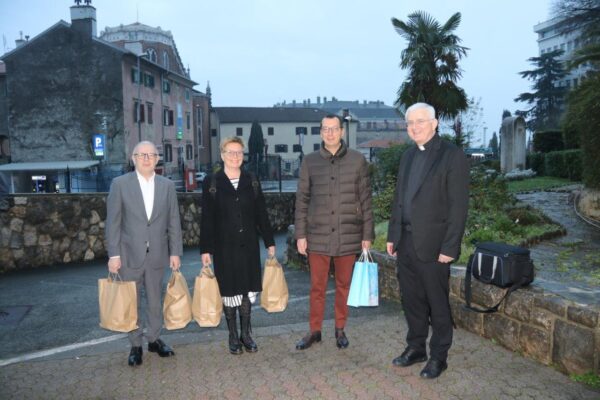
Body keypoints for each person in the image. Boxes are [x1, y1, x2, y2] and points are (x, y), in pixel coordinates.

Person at [386, 102, 469, 379]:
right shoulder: (408, 156)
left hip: (435, 246)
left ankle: (439, 356)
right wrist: (392, 235)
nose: (414, 127)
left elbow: (459, 206)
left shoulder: (451, 155)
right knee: (411, 300)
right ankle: (416, 347)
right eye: (410, 123)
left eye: (420, 121)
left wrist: (450, 247)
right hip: (406, 242)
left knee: (437, 303)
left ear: (434, 123)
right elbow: (399, 199)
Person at [294, 114, 374, 350]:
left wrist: (367, 235)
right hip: (317, 235)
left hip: (348, 234)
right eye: (325, 129)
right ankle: (314, 331)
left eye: (334, 128)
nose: (330, 133)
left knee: (343, 285)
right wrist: (301, 234)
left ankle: (340, 328)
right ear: (320, 133)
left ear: (342, 132)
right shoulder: (309, 162)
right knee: (316, 287)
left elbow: (366, 200)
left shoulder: (358, 161)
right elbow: (302, 200)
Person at [106, 140, 183, 367]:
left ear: (158, 159)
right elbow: (113, 223)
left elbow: (173, 221)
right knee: (131, 301)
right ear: (133, 158)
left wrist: (175, 252)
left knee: (155, 300)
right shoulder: (120, 184)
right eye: (142, 155)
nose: (147, 158)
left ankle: (154, 339)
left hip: (158, 254)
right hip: (128, 255)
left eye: (151, 155)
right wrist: (114, 255)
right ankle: (135, 345)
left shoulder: (167, 186)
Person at [200, 136, 275, 355]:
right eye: (231, 152)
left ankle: (246, 334)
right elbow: (207, 218)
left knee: (246, 291)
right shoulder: (212, 182)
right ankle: (232, 335)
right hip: (225, 248)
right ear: (222, 155)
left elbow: (261, 212)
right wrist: (206, 249)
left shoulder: (252, 180)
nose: (235, 157)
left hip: (249, 246)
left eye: (239, 152)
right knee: (229, 291)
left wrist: (269, 242)